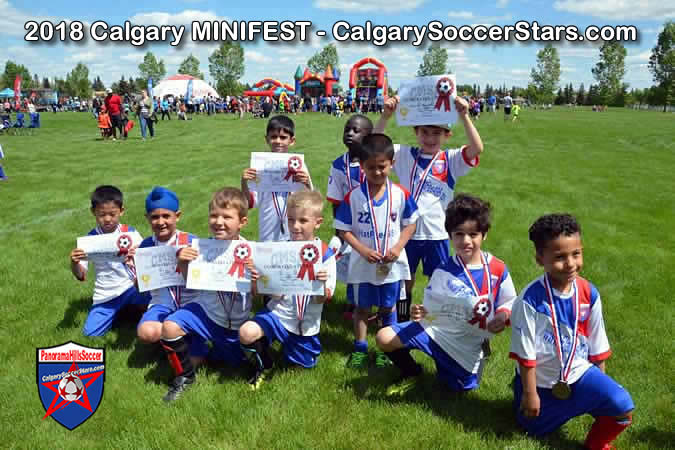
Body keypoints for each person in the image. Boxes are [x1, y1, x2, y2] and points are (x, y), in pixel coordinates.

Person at [509, 214, 634, 449]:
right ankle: (524, 398)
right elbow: (525, 356)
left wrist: (600, 394)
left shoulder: (589, 293)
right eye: (559, 257)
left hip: (578, 374)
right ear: (540, 259)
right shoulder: (529, 300)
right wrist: (530, 393)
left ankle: (595, 445)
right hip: (541, 385)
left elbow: (597, 349)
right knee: (533, 429)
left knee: (622, 406)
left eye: (576, 254)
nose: (570, 263)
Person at [376, 194, 516, 395]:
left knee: (455, 391)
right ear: (450, 235)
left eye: (473, 234)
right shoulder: (443, 271)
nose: (465, 241)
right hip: (439, 333)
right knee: (384, 337)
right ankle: (412, 371)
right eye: (459, 234)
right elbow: (431, 311)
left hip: (468, 343)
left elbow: (510, 300)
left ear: (484, 234)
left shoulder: (498, 268)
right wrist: (420, 312)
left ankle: (455, 370)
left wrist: (503, 315)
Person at [374, 94, 483, 322]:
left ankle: (436, 321)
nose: (430, 138)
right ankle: (402, 321)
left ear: (446, 134)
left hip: (438, 234)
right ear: (416, 132)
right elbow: (375, 146)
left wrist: (464, 115)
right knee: (405, 280)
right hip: (406, 233)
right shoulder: (404, 155)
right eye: (424, 131)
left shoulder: (450, 159)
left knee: (440, 280)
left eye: (436, 133)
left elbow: (476, 147)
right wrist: (386, 115)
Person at [159, 187, 254, 402]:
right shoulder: (201, 247)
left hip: (234, 323)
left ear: (242, 222)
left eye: (227, 217)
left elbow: (258, 293)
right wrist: (183, 262)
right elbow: (189, 281)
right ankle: (184, 378)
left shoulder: (251, 251)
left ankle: (216, 351)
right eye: (214, 215)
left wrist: (256, 274)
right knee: (170, 326)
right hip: (206, 313)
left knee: (234, 364)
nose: (219, 221)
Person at [335, 133, 419, 369]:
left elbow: (410, 224)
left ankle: (386, 348)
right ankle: (360, 347)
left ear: (391, 164)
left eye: (382, 166)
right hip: (363, 265)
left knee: (388, 307)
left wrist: (398, 247)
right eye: (370, 167)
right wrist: (362, 250)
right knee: (362, 308)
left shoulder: (401, 195)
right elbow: (343, 230)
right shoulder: (354, 197)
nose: (377, 172)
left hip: (391, 264)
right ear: (362, 167)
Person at [239, 190, 336, 389]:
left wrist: (321, 285)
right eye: (291, 220)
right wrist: (259, 281)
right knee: (247, 333)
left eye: (303, 220)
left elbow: (323, 299)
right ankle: (264, 365)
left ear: (318, 222)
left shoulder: (325, 254)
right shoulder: (278, 249)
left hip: (306, 323)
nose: (295, 226)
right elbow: (266, 293)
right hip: (278, 314)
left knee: (300, 368)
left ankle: (293, 349)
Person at [69, 186, 148, 336]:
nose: (107, 219)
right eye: (102, 214)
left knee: (154, 301)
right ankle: (124, 313)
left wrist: (138, 254)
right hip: (106, 293)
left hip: (131, 287)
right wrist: (74, 263)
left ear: (121, 211)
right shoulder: (89, 240)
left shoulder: (130, 232)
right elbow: (81, 275)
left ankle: (131, 310)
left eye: (112, 214)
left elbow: (147, 261)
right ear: (93, 212)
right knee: (91, 334)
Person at [132, 187, 201, 346]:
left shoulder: (192, 242)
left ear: (177, 216)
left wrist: (185, 262)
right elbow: (140, 287)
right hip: (162, 304)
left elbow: (201, 282)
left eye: (166, 216)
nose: (161, 222)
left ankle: (181, 337)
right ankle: (174, 338)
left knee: (195, 360)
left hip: (191, 303)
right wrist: (138, 269)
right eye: (155, 217)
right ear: (147, 218)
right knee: (146, 333)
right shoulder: (146, 246)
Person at [326, 114, 373, 320]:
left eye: (356, 130)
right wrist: (339, 229)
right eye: (347, 129)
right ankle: (351, 301)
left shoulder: (373, 163)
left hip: (373, 223)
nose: (350, 133)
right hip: (349, 225)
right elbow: (335, 200)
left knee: (373, 265)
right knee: (351, 262)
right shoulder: (338, 165)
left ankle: (382, 308)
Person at [241, 115, 312, 242]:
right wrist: (244, 182)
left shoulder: (297, 164)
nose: (278, 141)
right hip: (268, 229)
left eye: (283, 137)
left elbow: (310, 201)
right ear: (266, 139)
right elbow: (250, 203)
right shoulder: (260, 165)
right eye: (273, 137)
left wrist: (307, 183)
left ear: (292, 140)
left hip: (295, 230)